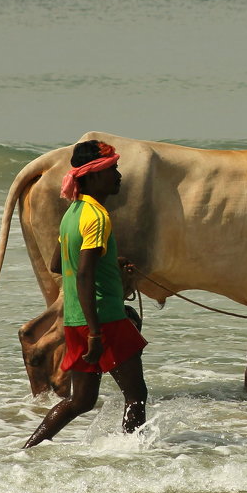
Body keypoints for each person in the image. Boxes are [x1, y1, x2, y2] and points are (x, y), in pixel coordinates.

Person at [24, 140, 148, 448]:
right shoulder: (97, 217)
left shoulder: (72, 213)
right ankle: (136, 458)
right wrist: (95, 333)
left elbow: (57, 262)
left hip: (75, 319)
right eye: (112, 170)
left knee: (81, 401)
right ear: (92, 177)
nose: (119, 176)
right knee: (136, 395)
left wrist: (110, 260)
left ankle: (28, 450)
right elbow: (84, 273)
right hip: (103, 319)